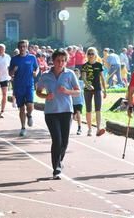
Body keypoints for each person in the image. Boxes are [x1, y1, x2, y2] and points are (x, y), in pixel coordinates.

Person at [36, 49, 80, 179]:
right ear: (53, 61)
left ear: (66, 62)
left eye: (63, 61)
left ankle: (59, 161)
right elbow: (38, 91)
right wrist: (45, 96)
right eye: (58, 61)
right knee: (57, 140)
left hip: (66, 111)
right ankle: (56, 168)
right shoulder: (45, 75)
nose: (60, 63)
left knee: (64, 141)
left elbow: (78, 92)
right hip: (51, 112)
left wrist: (67, 91)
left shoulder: (70, 74)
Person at [9, 40, 38, 137]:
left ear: (27, 47)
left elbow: (36, 68)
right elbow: (10, 73)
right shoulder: (14, 59)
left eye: (24, 46)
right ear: (18, 47)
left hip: (29, 85)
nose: (22, 48)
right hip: (18, 86)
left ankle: (29, 115)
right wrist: (14, 70)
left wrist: (36, 73)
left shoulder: (32, 57)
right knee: (21, 108)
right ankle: (23, 127)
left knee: (30, 105)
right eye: (20, 47)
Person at [81, 47, 107, 137]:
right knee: (88, 109)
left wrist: (105, 90)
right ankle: (89, 129)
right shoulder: (84, 66)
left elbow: (102, 78)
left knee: (98, 109)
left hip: (97, 89)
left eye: (92, 54)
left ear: (95, 55)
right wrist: (88, 85)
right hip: (87, 90)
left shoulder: (99, 65)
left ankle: (98, 129)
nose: (91, 55)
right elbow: (83, 78)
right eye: (89, 54)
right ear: (87, 55)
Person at [72, 68, 85, 135]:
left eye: (77, 74)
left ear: (79, 75)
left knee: (78, 113)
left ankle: (79, 128)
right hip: (72, 102)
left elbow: (87, 87)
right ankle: (67, 128)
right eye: (74, 74)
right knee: (73, 117)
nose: (76, 75)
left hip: (79, 101)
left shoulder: (81, 83)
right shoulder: (70, 83)